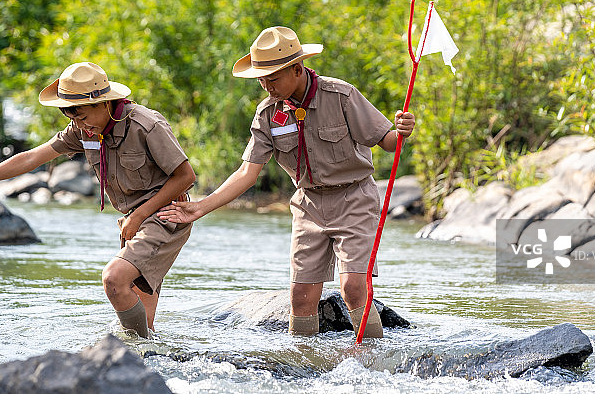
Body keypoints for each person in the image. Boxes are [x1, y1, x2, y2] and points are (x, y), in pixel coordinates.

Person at [157, 26, 415, 338]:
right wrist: (199, 208)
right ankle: (301, 363)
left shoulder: (341, 95)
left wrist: (401, 130)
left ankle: (369, 358)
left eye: (272, 77)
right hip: (307, 205)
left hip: (354, 198)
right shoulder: (267, 113)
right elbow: (247, 173)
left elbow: (386, 141)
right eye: (261, 79)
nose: (266, 86)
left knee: (354, 287)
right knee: (301, 296)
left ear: (297, 68)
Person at [0, 62, 196, 338]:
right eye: (71, 117)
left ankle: (139, 354)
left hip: (166, 213)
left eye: (83, 116)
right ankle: (148, 363)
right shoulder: (83, 129)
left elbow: (185, 177)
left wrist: (137, 217)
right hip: (135, 220)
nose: (78, 124)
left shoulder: (146, 125)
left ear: (104, 103)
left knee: (114, 280)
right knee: (142, 320)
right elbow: (30, 158)